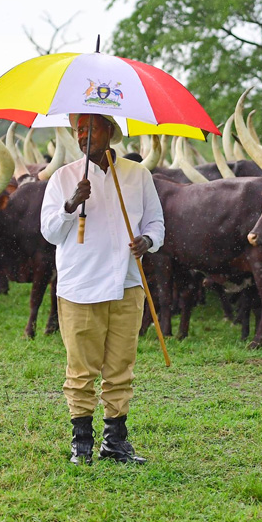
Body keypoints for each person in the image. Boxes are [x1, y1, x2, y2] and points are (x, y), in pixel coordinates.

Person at [39, 113, 164, 465]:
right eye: (79, 129)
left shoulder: (138, 175)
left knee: (120, 367)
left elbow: (156, 220)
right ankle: (81, 445)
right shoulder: (63, 178)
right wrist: (69, 206)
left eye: (92, 128)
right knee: (81, 369)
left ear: (110, 132)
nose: (84, 135)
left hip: (127, 283)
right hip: (81, 286)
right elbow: (49, 232)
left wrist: (148, 240)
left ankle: (115, 443)